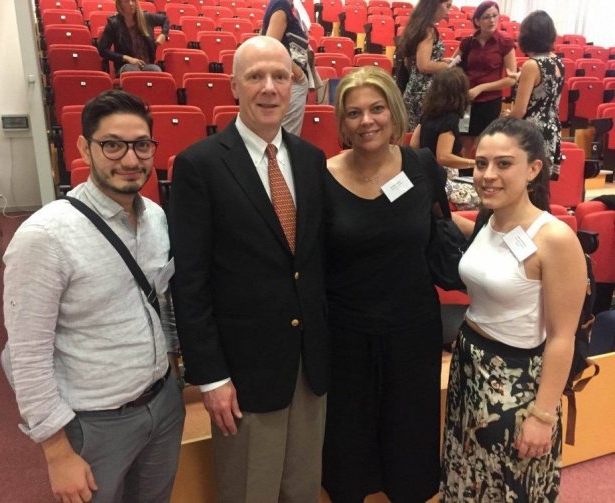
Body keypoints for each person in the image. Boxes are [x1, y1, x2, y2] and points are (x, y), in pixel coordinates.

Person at [1, 90, 185, 503]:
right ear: (85, 148)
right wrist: (56, 452)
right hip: (94, 423)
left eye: (141, 145)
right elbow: (25, 356)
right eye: (112, 145)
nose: (130, 159)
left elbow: (161, 303)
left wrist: (173, 373)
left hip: (162, 404)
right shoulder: (44, 237)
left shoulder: (156, 218)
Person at [169, 36, 329, 503]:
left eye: (280, 76)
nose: (269, 87)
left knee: (302, 490)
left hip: (309, 366)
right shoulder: (199, 165)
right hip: (242, 373)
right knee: (249, 492)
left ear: (293, 84)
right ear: (234, 86)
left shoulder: (310, 159)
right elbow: (190, 282)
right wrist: (211, 377)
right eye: (256, 76)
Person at [440, 117, 586, 501]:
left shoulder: (555, 238)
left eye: (504, 164)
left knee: (509, 487)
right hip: (470, 368)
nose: (488, 175)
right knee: (468, 477)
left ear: (533, 169)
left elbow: (562, 337)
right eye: (481, 163)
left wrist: (542, 416)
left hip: (516, 382)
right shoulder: (490, 219)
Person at [321, 66, 443, 503]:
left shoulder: (422, 166)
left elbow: (441, 230)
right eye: (354, 113)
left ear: (393, 112)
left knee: (409, 435)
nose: (366, 121)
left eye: (376, 109)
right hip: (346, 334)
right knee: (347, 440)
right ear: (342, 123)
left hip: (413, 330)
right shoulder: (321, 176)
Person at [410, 67, 480, 210]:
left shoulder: (427, 114)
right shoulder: (450, 119)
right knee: (483, 196)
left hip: (425, 174)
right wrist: (475, 163)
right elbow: (443, 157)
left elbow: (413, 144)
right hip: (442, 178)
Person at [452, 1, 516, 154]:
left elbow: (511, 78)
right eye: (486, 17)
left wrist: (481, 88)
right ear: (477, 21)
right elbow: (451, 66)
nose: (492, 20)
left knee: (485, 143)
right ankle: (464, 169)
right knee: (464, 141)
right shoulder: (468, 42)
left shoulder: (505, 42)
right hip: (467, 100)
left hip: (490, 101)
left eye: (495, 16)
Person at [508, 10, 564, 180]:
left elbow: (520, 110)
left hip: (532, 129)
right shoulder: (558, 61)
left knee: (527, 181)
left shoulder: (531, 65)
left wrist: (503, 120)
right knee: (542, 181)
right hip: (552, 126)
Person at [398, 0, 453, 131]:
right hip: (424, 94)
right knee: (422, 136)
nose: (448, 11)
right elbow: (423, 65)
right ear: (435, 4)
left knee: (413, 134)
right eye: (447, 6)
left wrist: (440, 61)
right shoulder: (428, 30)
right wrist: (447, 67)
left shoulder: (417, 26)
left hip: (413, 89)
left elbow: (410, 62)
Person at [262, 0, 310, 135]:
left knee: (283, 135)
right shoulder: (282, 5)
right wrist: (298, 73)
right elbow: (271, 47)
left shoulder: (283, 6)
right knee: (286, 136)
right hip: (290, 80)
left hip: (288, 80)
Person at [98, 0, 168, 75]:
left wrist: (163, 34)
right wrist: (126, 58)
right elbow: (102, 50)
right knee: (133, 71)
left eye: (133, 0)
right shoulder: (114, 23)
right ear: (120, 4)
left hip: (147, 64)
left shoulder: (146, 17)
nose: (131, 3)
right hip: (125, 65)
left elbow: (165, 19)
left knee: (157, 71)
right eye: (126, 1)